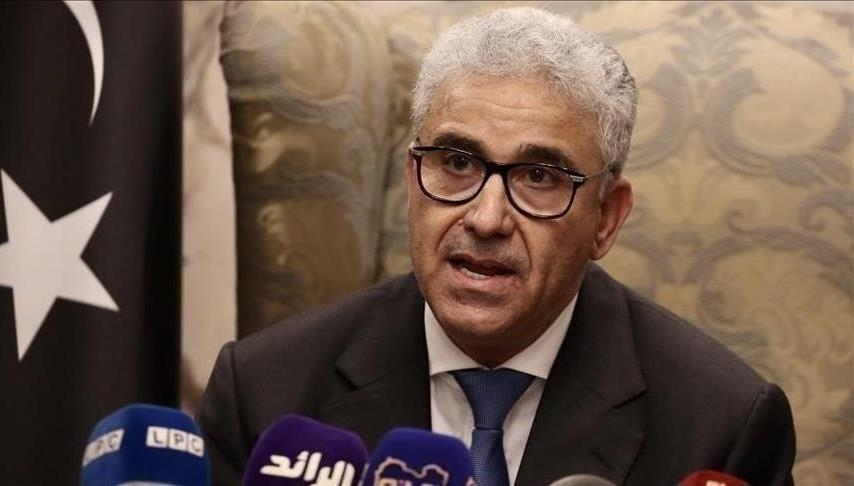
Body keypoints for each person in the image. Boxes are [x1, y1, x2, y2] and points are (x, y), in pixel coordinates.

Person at [199, 7, 796, 485]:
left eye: (539, 176)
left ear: (606, 219)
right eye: (457, 162)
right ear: (412, 180)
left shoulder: (723, 426)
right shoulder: (263, 393)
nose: (486, 219)